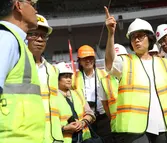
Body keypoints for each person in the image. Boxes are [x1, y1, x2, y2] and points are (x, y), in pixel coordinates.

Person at [105, 6, 167, 143]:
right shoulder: (125, 61)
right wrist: (111, 34)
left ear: (150, 38)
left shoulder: (164, 64)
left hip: (163, 125)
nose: (136, 40)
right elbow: (110, 64)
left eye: (140, 36)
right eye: (133, 37)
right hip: (135, 129)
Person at [0, 0, 45, 143]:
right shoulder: (6, 38)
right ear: (18, 6)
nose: (36, 11)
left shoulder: (16, 42)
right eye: (33, 5)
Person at [27, 14, 64, 143]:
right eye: (34, 34)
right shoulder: (15, 66)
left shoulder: (53, 70)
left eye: (43, 36)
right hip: (28, 137)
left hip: (54, 137)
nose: (40, 39)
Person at [73, 45, 112, 143]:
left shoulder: (104, 74)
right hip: (86, 119)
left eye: (90, 58)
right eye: (84, 59)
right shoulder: (74, 78)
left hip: (104, 117)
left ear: (94, 59)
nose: (88, 61)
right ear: (80, 61)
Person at [56, 62, 96, 143]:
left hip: (84, 139)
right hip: (65, 139)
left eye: (70, 77)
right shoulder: (52, 97)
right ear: (57, 78)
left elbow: (90, 113)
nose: (69, 79)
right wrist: (64, 128)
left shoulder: (77, 93)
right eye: (66, 77)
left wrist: (82, 122)